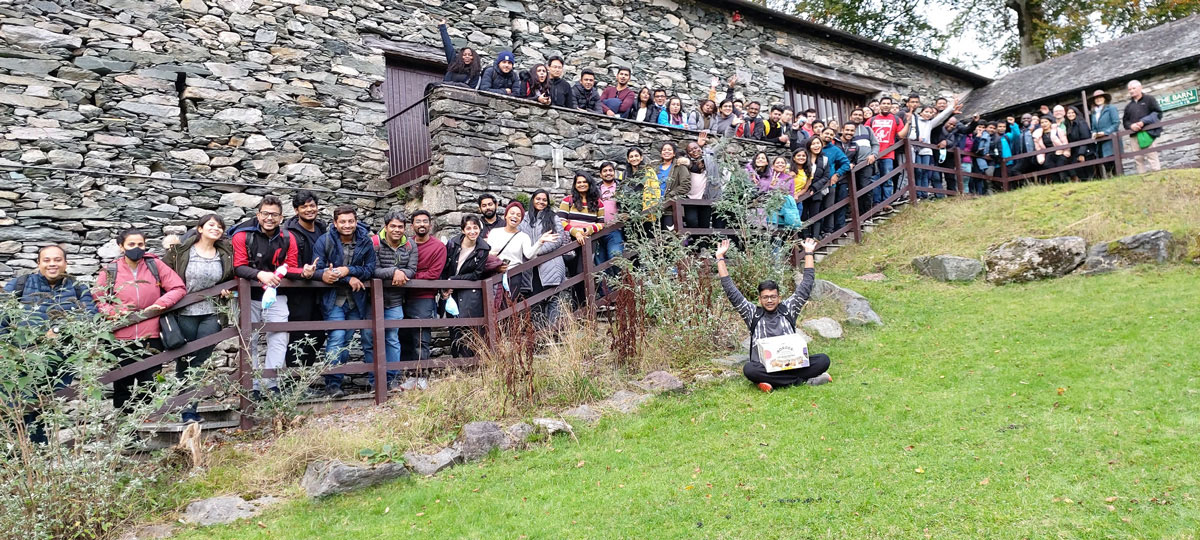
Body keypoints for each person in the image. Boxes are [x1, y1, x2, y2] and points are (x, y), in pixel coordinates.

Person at [4, 246, 97, 442]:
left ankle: (36, 453)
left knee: (42, 405)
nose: (52, 264)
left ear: (65, 263)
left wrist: (57, 330)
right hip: (23, 359)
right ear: (38, 263)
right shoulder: (20, 284)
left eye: (57, 260)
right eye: (46, 260)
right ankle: (23, 454)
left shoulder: (78, 288)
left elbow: (90, 317)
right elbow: (2, 316)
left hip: (59, 362)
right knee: (19, 406)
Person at [716, 237, 832, 392]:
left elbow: (806, 285)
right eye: (765, 297)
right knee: (749, 369)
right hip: (767, 367)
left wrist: (809, 253)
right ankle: (803, 380)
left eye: (773, 297)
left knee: (823, 360)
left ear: (779, 297)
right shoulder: (752, 314)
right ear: (760, 299)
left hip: (792, 364)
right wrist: (720, 258)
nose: (769, 300)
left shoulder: (788, 308)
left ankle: (774, 383)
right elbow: (731, 290)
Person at [96, 229, 187, 412]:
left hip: (151, 334)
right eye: (131, 244)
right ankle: (125, 431)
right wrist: (115, 312)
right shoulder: (111, 270)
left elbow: (178, 287)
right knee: (123, 385)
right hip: (121, 336)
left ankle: (148, 426)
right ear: (121, 247)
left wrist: (161, 304)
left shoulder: (155, 265)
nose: (136, 248)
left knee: (149, 383)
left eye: (140, 244)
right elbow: (98, 298)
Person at [229, 196, 306, 395]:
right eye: (265, 213)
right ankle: (252, 385)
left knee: (279, 336)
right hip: (249, 296)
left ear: (281, 218)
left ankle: (271, 383)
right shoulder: (242, 236)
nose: (269, 218)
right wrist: (259, 274)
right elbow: (238, 266)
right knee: (249, 339)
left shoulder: (289, 238)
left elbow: (291, 266)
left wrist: (305, 272)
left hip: (278, 294)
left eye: (274, 214)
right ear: (258, 214)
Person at [163, 214, 233, 423]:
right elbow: (164, 274)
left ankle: (189, 410)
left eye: (220, 226)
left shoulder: (225, 253)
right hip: (184, 313)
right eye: (211, 225)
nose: (216, 228)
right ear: (200, 229)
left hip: (211, 313)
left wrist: (228, 292)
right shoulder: (182, 252)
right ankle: (186, 410)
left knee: (200, 362)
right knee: (184, 361)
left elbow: (230, 279)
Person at [313, 206, 377, 398]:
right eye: (342, 221)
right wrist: (346, 278)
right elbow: (319, 270)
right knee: (337, 338)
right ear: (335, 223)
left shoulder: (365, 241)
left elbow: (370, 269)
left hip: (356, 301)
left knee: (347, 341)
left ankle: (339, 382)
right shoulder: (324, 241)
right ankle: (332, 385)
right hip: (333, 300)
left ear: (356, 221)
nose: (347, 225)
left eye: (350, 221)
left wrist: (348, 270)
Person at [369, 209, 418, 389]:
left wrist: (402, 272)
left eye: (400, 227)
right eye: (393, 226)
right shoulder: (374, 243)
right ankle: (375, 382)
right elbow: (372, 269)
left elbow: (412, 269)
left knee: (392, 338)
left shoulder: (410, 246)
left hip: (396, 299)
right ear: (386, 227)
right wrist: (394, 272)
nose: (397, 230)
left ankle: (392, 379)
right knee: (369, 338)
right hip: (371, 300)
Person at [283, 190, 328, 368]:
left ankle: (303, 380)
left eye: (312, 206)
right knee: (298, 335)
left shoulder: (322, 229)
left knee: (318, 335)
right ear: (296, 210)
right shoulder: (290, 233)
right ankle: (291, 382)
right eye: (304, 207)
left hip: (320, 290)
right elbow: (290, 265)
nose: (309, 209)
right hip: (298, 291)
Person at [441, 215, 491, 357]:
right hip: (449, 291)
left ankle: (469, 362)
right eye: (468, 228)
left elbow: (477, 274)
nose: (472, 231)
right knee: (453, 327)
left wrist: (454, 280)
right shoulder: (452, 244)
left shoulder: (483, 249)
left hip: (469, 291)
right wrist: (444, 287)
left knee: (469, 328)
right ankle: (457, 361)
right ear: (463, 230)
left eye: (475, 228)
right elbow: (444, 267)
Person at [487, 201, 557, 298]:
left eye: (518, 215)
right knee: (492, 304)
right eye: (512, 213)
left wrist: (540, 242)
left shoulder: (523, 237)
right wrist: (495, 262)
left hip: (513, 275)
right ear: (505, 216)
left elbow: (529, 255)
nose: (515, 216)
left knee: (508, 305)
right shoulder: (495, 232)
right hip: (494, 273)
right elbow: (487, 253)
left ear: (521, 220)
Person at [522, 189, 571, 327]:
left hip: (550, 265)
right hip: (531, 271)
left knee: (552, 300)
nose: (541, 202)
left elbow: (557, 239)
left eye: (544, 200)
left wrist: (536, 253)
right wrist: (529, 252)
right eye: (538, 199)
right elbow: (519, 238)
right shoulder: (525, 218)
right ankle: (539, 337)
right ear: (533, 200)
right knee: (534, 302)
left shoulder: (553, 217)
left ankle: (553, 334)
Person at [401, 210, 446, 362]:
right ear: (412, 225)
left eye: (425, 221)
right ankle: (405, 374)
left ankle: (421, 375)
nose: (422, 224)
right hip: (401, 296)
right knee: (403, 337)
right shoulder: (406, 244)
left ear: (430, 225)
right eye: (418, 221)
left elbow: (433, 274)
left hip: (423, 297)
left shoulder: (438, 247)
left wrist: (407, 276)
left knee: (421, 338)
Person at [906, 101, 956, 198]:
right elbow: (909, 132)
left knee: (925, 172)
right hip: (916, 149)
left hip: (926, 150)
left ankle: (924, 193)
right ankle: (917, 192)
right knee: (918, 171)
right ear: (921, 112)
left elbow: (941, 118)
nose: (928, 114)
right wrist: (915, 138)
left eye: (930, 113)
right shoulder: (914, 119)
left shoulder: (930, 123)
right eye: (926, 112)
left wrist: (951, 107)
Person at [866, 96, 906, 208]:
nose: (886, 105)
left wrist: (908, 123)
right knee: (875, 179)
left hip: (888, 154)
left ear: (891, 105)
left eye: (888, 103)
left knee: (887, 179)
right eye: (884, 103)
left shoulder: (896, 119)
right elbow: (865, 135)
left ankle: (886, 202)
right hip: (873, 154)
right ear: (880, 105)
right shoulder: (872, 120)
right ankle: (877, 203)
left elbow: (901, 135)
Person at [643, 142, 691, 229]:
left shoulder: (679, 166)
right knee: (653, 236)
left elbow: (686, 185)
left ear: (674, 153)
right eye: (664, 150)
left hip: (670, 208)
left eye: (669, 150)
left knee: (668, 236)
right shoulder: (654, 167)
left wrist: (670, 195)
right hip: (653, 207)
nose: (666, 152)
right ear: (661, 153)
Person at [1122, 80, 1163, 173]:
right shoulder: (1128, 106)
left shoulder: (1149, 99)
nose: (1131, 91)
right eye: (1129, 89)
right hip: (1134, 135)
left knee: (1152, 155)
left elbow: (1158, 113)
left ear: (1140, 88)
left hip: (1148, 133)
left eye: (1134, 88)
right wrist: (1131, 126)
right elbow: (1125, 122)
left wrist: (1144, 122)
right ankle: (1142, 177)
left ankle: (1157, 175)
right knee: (1138, 158)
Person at [818, 127, 852, 233]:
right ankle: (816, 233)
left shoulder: (835, 150)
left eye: (831, 134)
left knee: (829, 207)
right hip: (814, 183)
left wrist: (837, 174)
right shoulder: (814, 146)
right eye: (826, 133)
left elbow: (846, 163)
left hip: (829, 183)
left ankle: (829, 231)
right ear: (821, 134)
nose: (828, 136)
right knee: (816, 209)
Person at [801, 137, 832, 239]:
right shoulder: (803, 157)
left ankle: (815, 236)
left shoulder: (825, 159)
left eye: (818, 143)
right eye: (813, 144)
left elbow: (826, 176)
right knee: (803, 215)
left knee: (816, 214)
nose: (816, 146)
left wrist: (814, 187)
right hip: (802, 191)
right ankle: (805, 237)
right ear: (809, 146)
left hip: (816, 191)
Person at [437, 20, 480, 88]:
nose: (467, 57)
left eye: (470, 55)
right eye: (464, 55)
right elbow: (447, 45)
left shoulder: (475, 73)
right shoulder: (453, 63)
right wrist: (442, 27)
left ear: (473, 58)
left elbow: (471, 89)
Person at [1089, 89, 1120, 175]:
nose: (1098, 99)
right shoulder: (1094, 112)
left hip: (1110, 140)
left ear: (1104, 98)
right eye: (1096, 98)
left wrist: (1105, 132)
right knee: (1105, 163)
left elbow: (1116, 123)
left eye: (1100, 97)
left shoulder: (1111, 108)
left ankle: (1117, 179)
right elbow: (1094, 127)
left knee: (1113, 162)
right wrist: (1094, 133)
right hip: (1100, 142)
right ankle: (1110, 179)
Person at [1033, 116, 1069, 182]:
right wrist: (1041, 158)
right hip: (1048, 154)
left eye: (1046, 122)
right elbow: (1038, 148)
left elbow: (1065, 142)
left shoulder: (1058, 130)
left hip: (1060, 152)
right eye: (1042, 122)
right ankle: (1057, 185)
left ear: (1050, 123)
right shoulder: (1038, 135)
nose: (1044, 124)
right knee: (1051, 169)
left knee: (1061, 168)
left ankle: (1066, 182)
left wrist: (1066, 152)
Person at [1064, 106, 1094, 181]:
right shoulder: (1068, 125)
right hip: (1075, 152)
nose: (1070, 114)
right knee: (1079, 172)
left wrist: (1081, 154)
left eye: (1072, 112)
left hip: (1085, 151)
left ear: (1076, 113)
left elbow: (1086, 138)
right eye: (1069, 113)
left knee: (1088, 174)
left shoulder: (1081, 123)